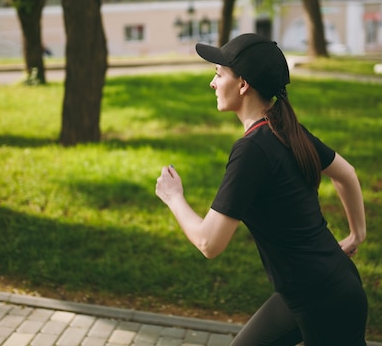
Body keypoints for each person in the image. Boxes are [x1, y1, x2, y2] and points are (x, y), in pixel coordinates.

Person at [155, 33, 368, 346]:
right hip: (314, 290)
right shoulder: (285, 128)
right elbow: (346, 173)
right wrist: (357, 234)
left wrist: (174, 198)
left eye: (218, 74)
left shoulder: (252, 151)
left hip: (324, 303)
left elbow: (208, 243)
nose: (212, 83)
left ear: (243, 85)